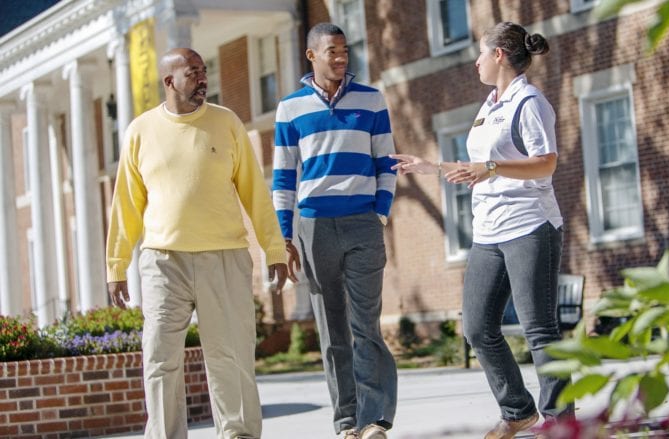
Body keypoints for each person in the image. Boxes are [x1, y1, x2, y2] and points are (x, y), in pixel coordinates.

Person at [391, 22, 573, 439]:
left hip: (530, 225)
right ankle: (518, 410)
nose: (474, 60)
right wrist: (431, 167)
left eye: (480, 52)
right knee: (477, 326)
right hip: (488, 231)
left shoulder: (530, 102)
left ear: (499, 56)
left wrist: (491, 167)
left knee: (539, 329)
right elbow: (476, 169)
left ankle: (562, 424)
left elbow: (546, 162)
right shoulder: (490, 105)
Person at [106, 48, 291, 439]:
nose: (203, 79)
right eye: (193, 73)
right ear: (169, 81)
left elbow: (256, 193)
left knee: (232, 356)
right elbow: (126, 205)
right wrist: (116, 265)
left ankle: (238, 433)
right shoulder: (140, 131)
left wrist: (274, 249)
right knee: (159, 357)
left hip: (223, 256)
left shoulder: (226, 123)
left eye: (204, 71)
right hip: (162, 261)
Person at [271, 22, 398, 439]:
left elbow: (386, 163)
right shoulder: (290, 109)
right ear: (312, 55)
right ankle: (346, 422)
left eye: (345, 50)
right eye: (332, 51)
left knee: (367, 326)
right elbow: (283, 178)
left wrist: (379, 213)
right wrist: (285, 237)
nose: (341, 57)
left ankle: (374, 419)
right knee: (332, 329)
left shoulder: (371, 100)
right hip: (314, 227)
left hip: (363, 222)